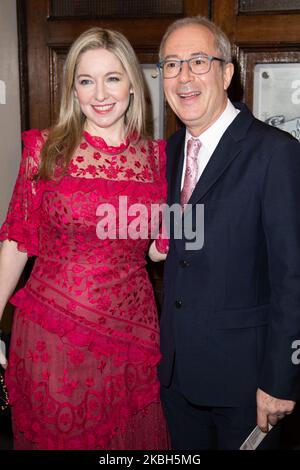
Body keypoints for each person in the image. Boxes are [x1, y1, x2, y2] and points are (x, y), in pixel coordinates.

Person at [0, 27, 169, 450]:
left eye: (112, 77)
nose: (100, 93)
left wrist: (170, 238)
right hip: (51, 339)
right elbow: (18, 242)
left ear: (133, 83)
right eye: (86, 80)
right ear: (73, 91)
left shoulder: (159, 158)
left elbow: (153, 245)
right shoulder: (45, 150)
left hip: (132, 338)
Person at [150, 16, 300, 449]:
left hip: (247, 386)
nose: (184, 77)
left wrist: (281, 379)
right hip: (177, 377)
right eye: (172, 64)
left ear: (227, 72)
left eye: (199, 61)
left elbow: (294, 278)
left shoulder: (275, 153)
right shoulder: (172, 150)